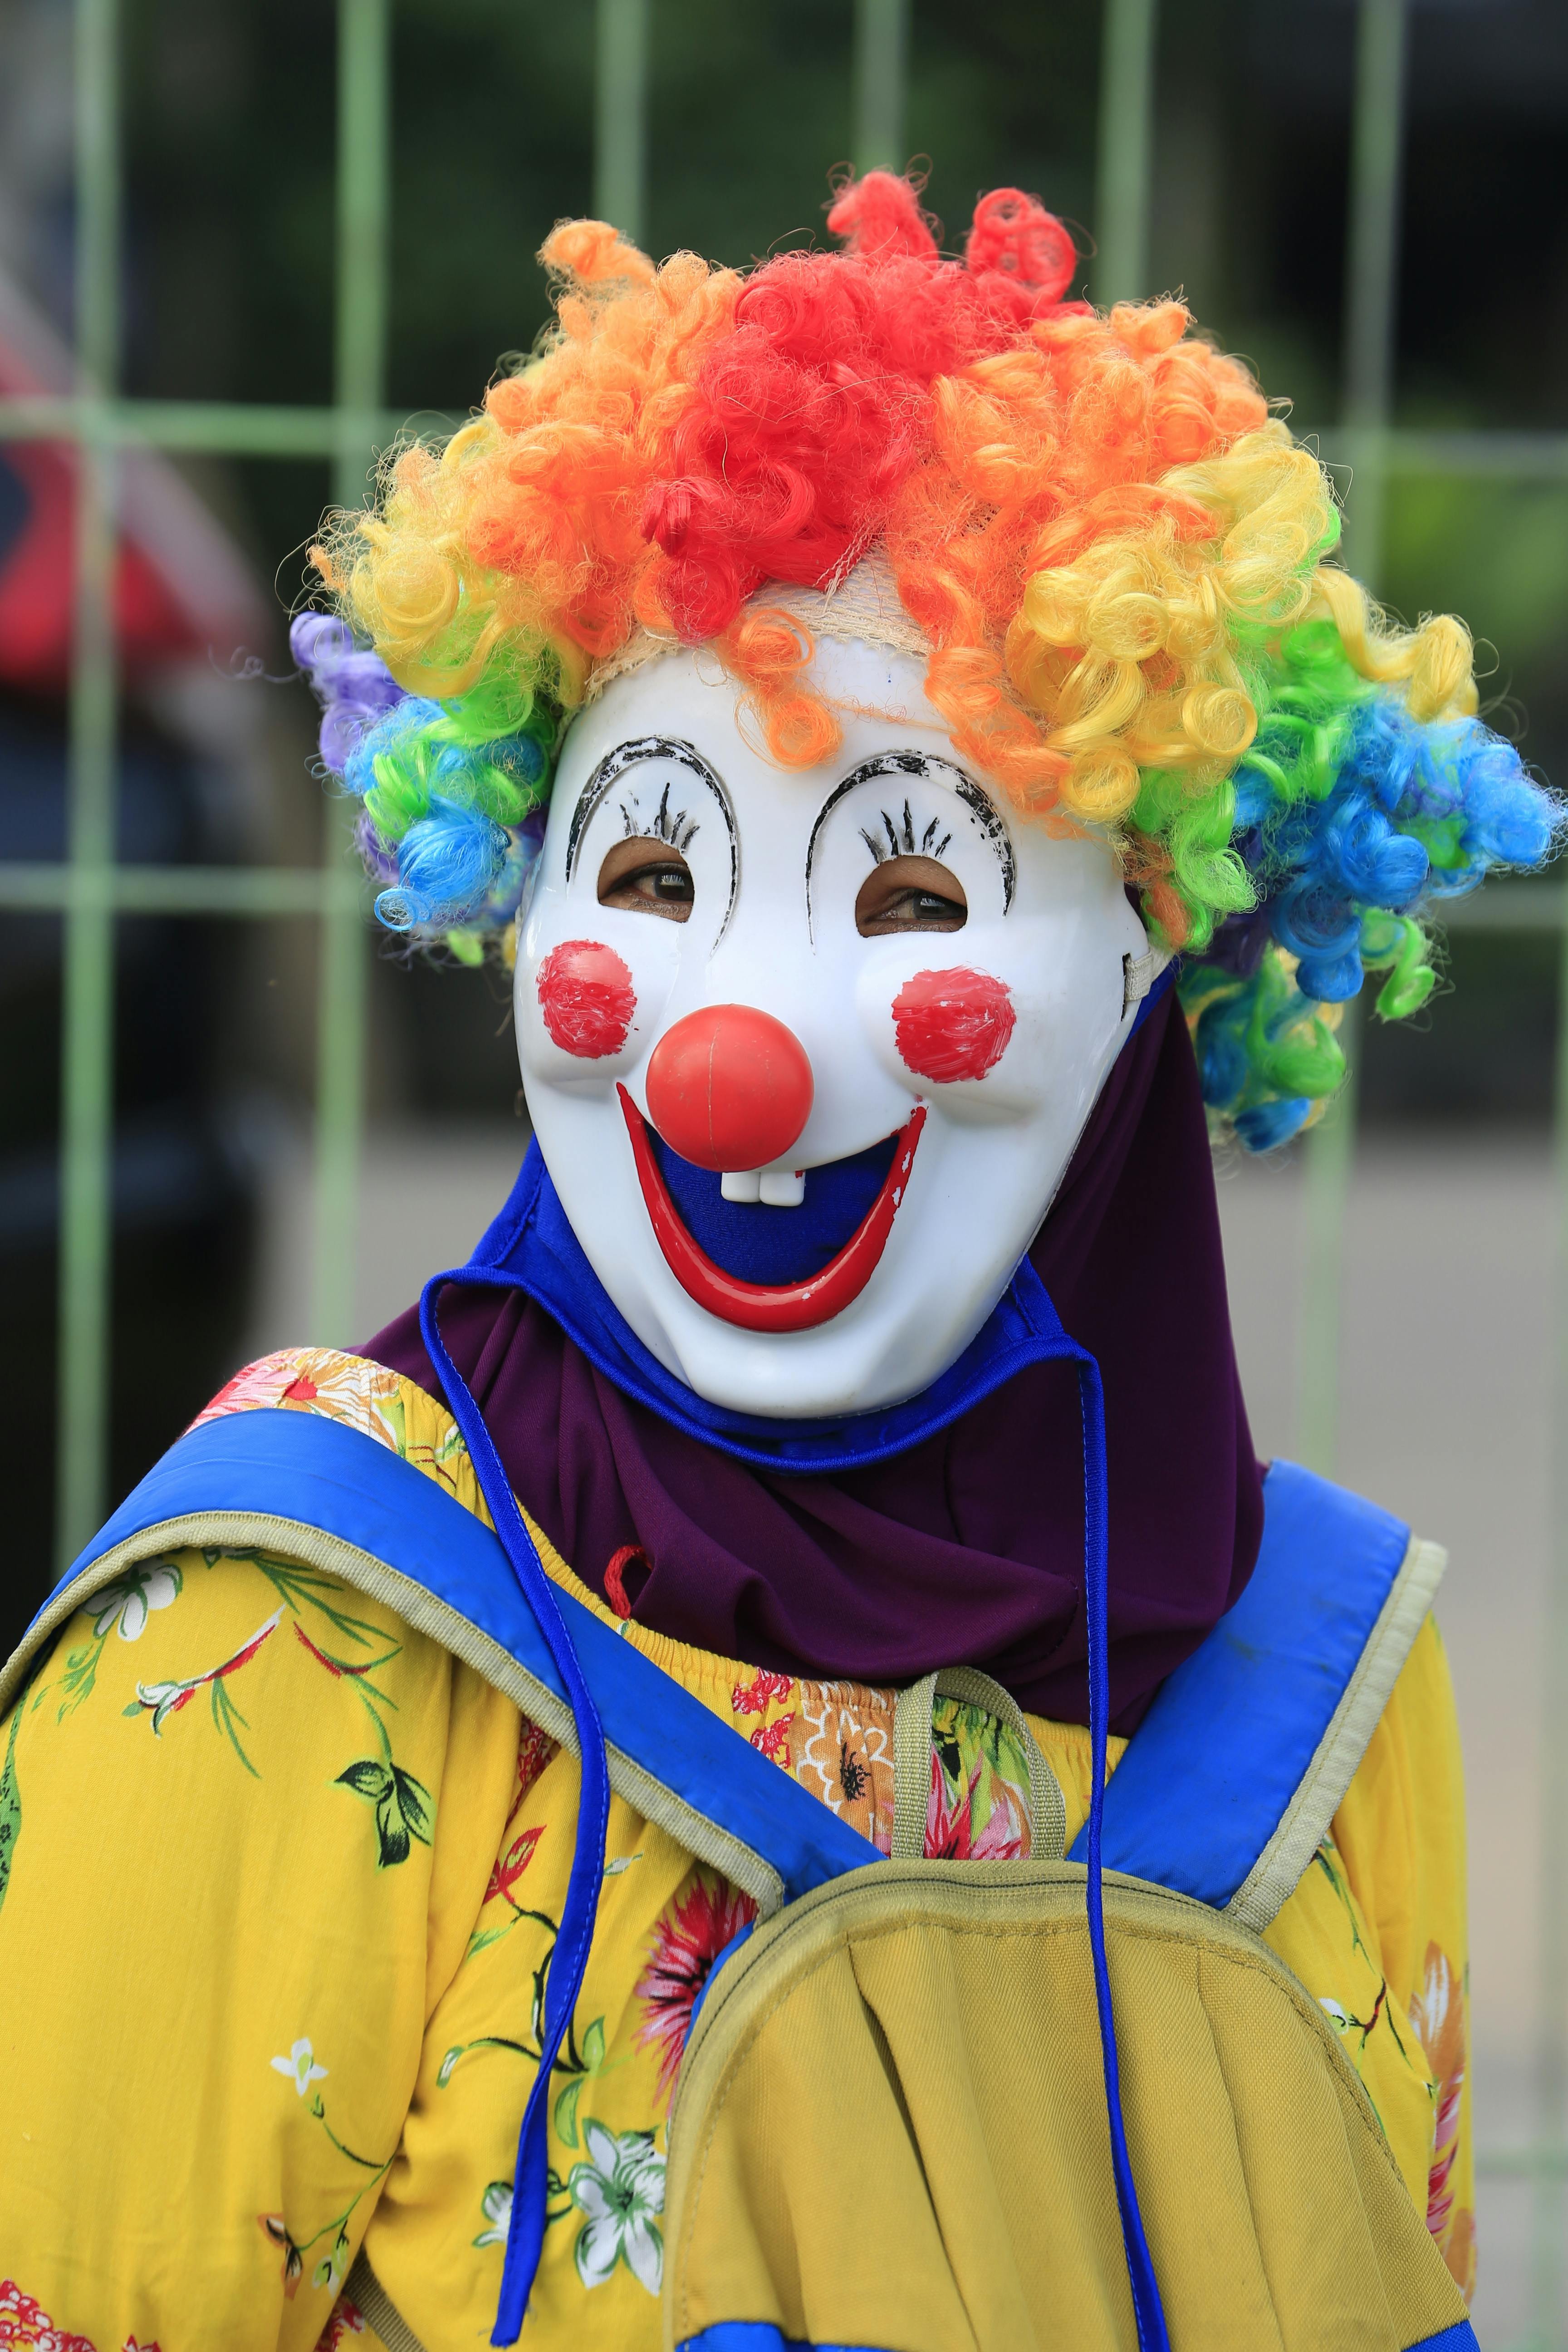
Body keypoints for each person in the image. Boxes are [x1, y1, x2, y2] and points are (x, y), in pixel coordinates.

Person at [0, 171, 1556, 2352]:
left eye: (914, 900)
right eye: (653, 870)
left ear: (1150, 960)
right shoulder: (279, 1644)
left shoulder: (1333, 1696)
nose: (739, 1055)